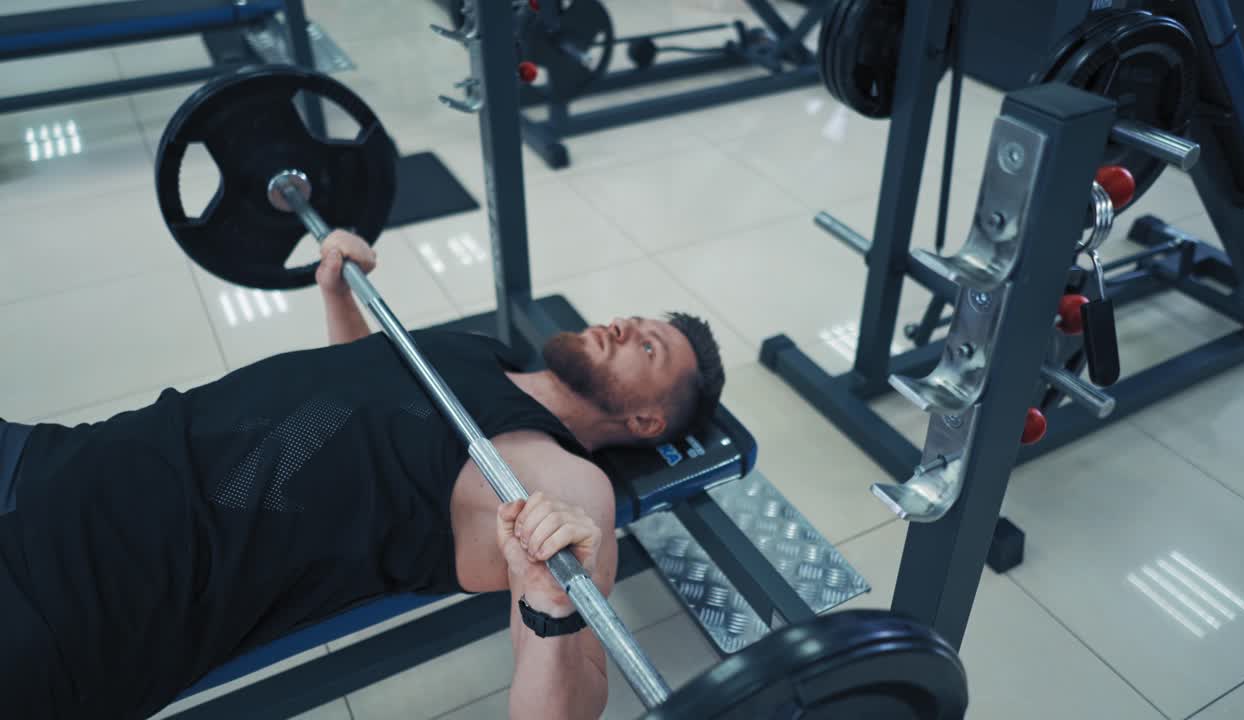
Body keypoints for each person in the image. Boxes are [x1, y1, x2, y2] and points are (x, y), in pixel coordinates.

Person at [0, 231, 726, 720]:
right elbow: (360, 399)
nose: (626, 327)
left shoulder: (561, 482)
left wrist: (551, 608)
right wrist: (340, 298)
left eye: (650, 350)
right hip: (55, 460)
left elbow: (565, 705)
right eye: (636, 320)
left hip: (85, 599)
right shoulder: (479, 351)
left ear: (647, 424)